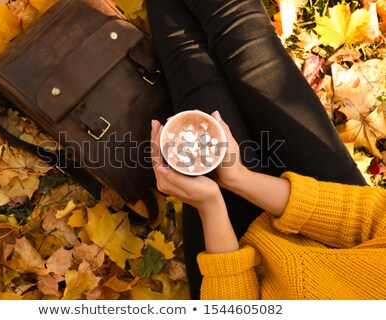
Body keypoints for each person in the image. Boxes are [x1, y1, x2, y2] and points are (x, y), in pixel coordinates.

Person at [146, 0, 386, 299]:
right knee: (244, 36)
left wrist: (211, 205)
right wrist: (239, 178)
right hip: (333, 215)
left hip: (233, 270)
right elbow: (376, 218)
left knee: (192, 74)